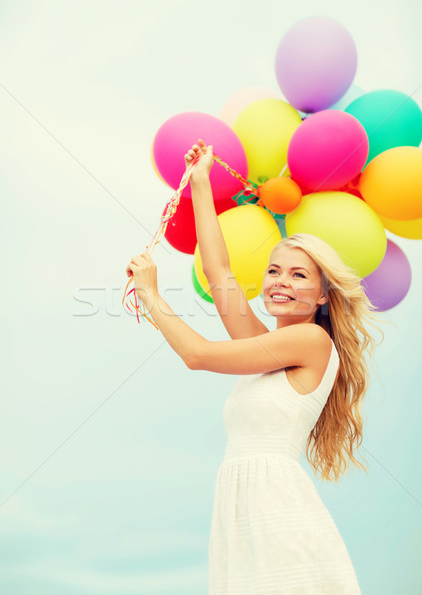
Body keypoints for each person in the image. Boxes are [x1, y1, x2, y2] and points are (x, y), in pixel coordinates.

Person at [126, 139, 384, 594]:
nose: (280, 281)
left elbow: (198, 355)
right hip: (239, 512)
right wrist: (202, 181)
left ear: (324, 295)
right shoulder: (267, 347)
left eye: (299, 274)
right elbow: (220, 271)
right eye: (273, 270)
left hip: (277, 510)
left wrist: (150, 295)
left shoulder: (311, 340)